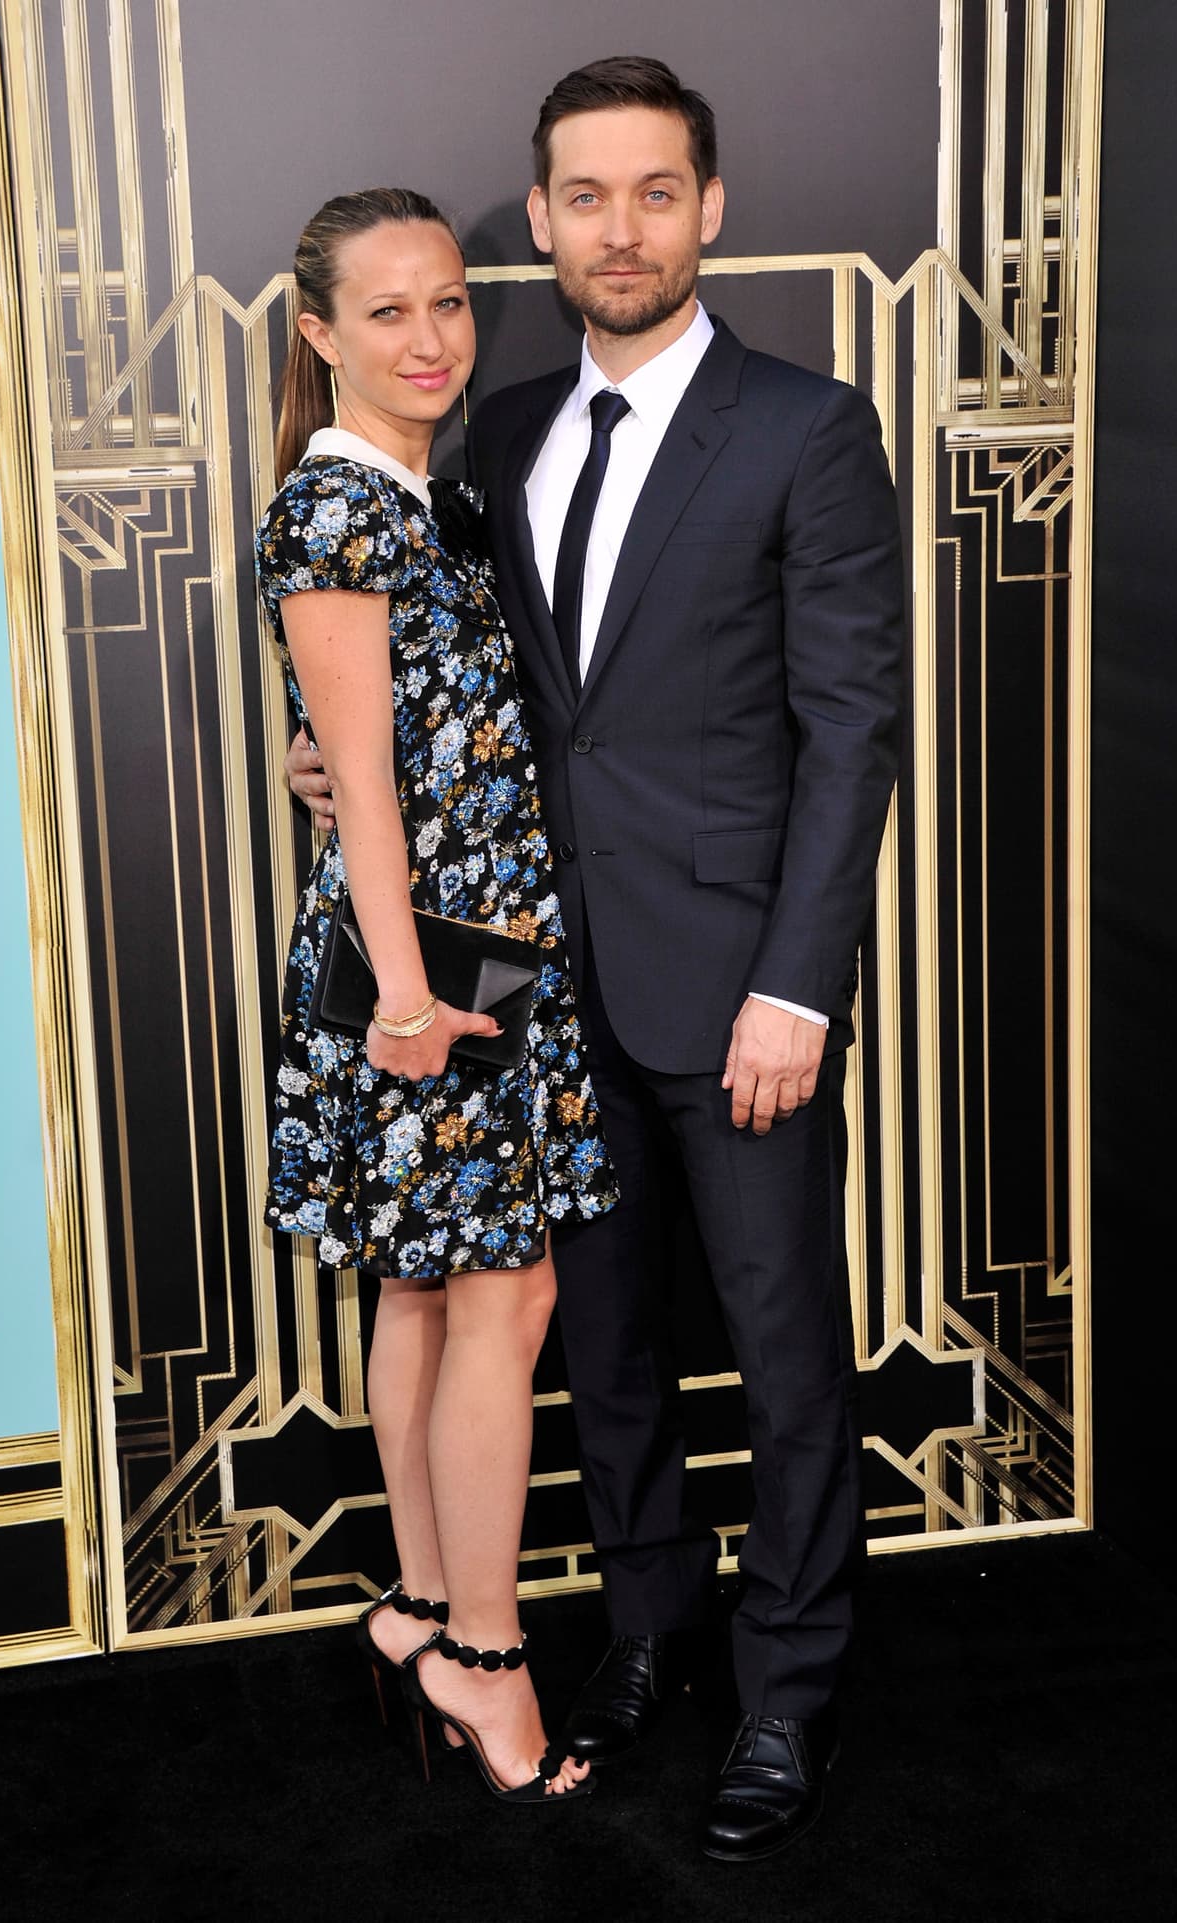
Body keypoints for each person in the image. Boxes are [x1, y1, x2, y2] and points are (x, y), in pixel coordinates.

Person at [287, 58, 904, 1863]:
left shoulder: (809, 426)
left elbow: (850, 727)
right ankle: (649, 1634)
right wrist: (326, 765)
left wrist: (798, 985)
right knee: (603, 1351)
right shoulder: (495, 428)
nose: (617, 228)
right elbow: (445, 702)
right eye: (582, 196)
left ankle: (787, 1691)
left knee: (787, 1354)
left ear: (709, 211)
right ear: (542, 219)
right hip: (535, 998)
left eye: (656, 192)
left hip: (736, 996)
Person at [256, 187, 617, 1805]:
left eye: (451, 303)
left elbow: (377, 751)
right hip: (435, 975)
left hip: (464, 960)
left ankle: (414, 1606)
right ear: (320, 333)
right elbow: (380, 801)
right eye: (388, 312)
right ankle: (486, 1650)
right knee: (504, 1300)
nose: (431, 339)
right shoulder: (338, 515)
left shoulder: (432, 502)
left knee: (423, 1289)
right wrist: (406, 1002)